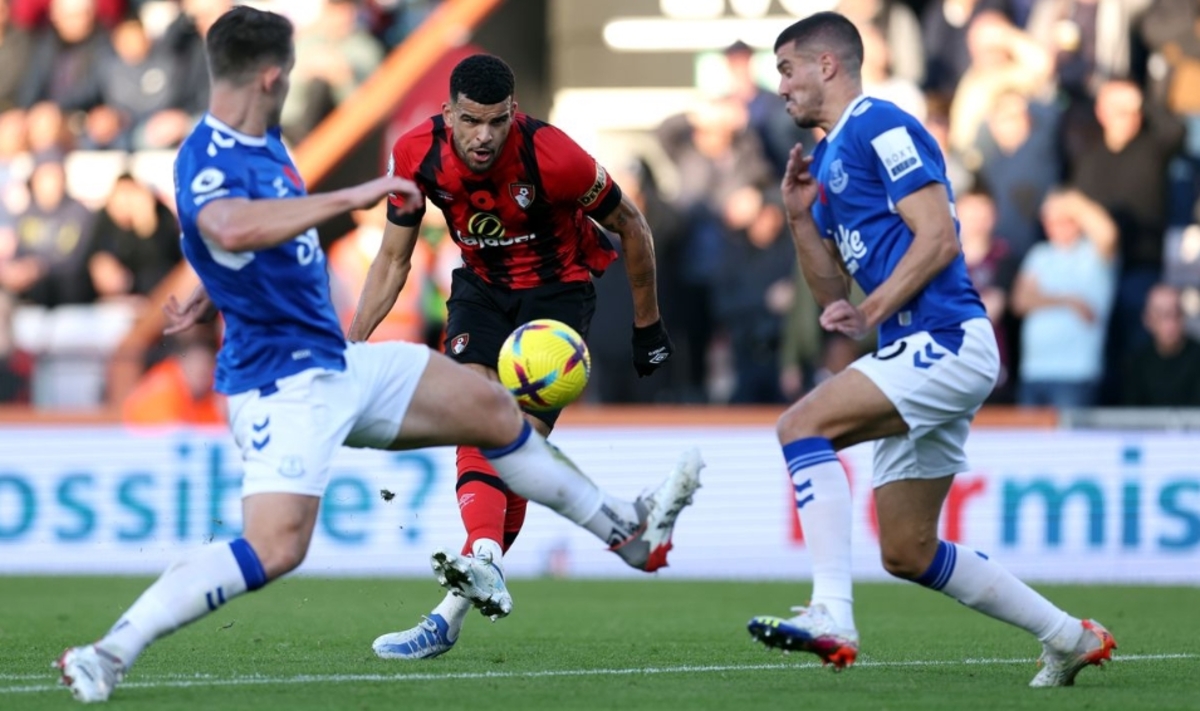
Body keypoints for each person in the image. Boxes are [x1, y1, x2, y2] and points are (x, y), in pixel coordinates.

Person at [53, 8, 703, 703]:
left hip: (337, 362)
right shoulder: (209, 155)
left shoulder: (267, 143)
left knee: (488, 406)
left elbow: (246, 247)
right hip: (280, 386)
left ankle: (627, 533)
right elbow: (227, 225)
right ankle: (109, 651)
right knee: (276, 547)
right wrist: (352, 195)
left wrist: (212, 293)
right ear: (272, 75)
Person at [747, 12, 1114, 687]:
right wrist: (801, 218)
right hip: (916, 346)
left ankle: (831, 610)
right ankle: (1069, 636)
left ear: (828, 65)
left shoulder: (880, 125)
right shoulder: (828, 160)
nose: (782, 86)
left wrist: (874, 308)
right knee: (907, 550)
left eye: (787, 68)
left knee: (800, 425)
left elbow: (939, 237)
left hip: (944, 338)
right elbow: (831, 284)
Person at [348, 53, 677, 660]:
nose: (484, 136)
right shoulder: (416, 154)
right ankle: (475, 581)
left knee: (508, 434)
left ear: (513, 113)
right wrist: (352, 344)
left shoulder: (555, 156)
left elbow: (632, 225)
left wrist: (647, 326)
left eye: (497, 121)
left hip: (558, 294)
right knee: (479, 418)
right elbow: (394, 258)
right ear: (447, 113)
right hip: (480, 288)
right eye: (471, 121)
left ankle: (458, 600)